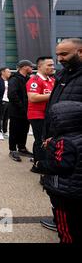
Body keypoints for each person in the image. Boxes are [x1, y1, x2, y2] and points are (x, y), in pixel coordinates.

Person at [39, 38, 82, 234]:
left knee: (68, 189)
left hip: (74, 145)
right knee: (57, 186)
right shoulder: (64, 74)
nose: (59, 59)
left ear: (80, 52)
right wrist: (50, 135)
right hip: (56, 140)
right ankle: (60, 218)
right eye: (57, 54)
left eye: (64, 54)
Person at [36, 101, 82, 243]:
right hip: (76, 191)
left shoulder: (64, 141)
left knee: (65, 226)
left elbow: (60, 165)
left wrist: (41, 165)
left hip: (64, 193)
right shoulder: (76, 137)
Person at [27, 57, 55, 172]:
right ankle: (38, 166)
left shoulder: (51, 80)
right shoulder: (35, 80)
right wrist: (54, 95)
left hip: (48, 115)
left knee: (43, 140)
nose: (52, 67)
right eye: (49, 65)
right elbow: (33, 98)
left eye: (53, 65)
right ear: (40, 66)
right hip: (37, 115)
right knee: (41, 140)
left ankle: (38, 162)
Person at [7, 60, 34, 162]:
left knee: (24, 130)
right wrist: (22, 107)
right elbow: (12, 95)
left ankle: (22, 148)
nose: (32, 68)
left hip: (27, 110)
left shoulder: (28, 79)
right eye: (31, 66)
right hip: (16, 111)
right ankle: (13, 150)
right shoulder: (14, 79)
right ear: (24, 67)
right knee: (14, 130)